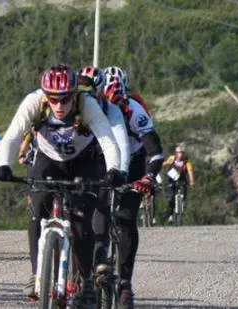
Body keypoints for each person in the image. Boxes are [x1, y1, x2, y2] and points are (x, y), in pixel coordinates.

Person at [0, 64, 125, 305]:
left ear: (74, 95)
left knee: (82, 222)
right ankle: (36, 274)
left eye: (64, 100)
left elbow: (108, 140)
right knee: (37, 208)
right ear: (45, 95)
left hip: (83, 162)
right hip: (47, 158)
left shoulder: (88, 105)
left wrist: (114, 169)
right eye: (53, 99)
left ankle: (84, 280)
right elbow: (12, 135)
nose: (59, 106)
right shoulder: (34, 102)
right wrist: (4, 165)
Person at [92, 78, 166, 308]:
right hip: (101, 160)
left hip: (133, 162)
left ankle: (125, 283)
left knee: (125, 218)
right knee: (90, 210)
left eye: (119, 103)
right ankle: (88, 271)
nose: (115, 108)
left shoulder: (135, 111)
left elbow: (155, 152)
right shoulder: (90, 108)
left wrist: (148, 177)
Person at [162, 146, 195, 221]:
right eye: (179, 153)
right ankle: (170, 214)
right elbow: (165, 164)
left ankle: (183, 205)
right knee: (172, 197)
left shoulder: (187, 163)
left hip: (181, 179)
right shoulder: (172, 158)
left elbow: (190, 172)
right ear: (176, 153)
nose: (181, 155)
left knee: (184, 192)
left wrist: (192, 181)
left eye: (182, 153)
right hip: (171, 179)